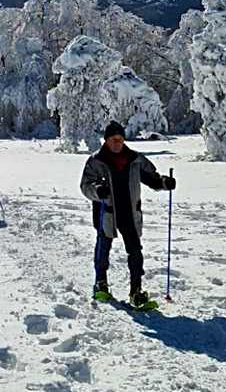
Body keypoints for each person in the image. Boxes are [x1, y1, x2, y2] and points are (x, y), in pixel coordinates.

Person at [80, 121, 176, 309]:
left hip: (130, 213)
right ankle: (101, 283)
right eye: (113, 139)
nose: (117, 143)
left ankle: (136, 290)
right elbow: (85, 186)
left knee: (135, 251)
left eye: (120, 139)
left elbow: (152, 178)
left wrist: (165, 183)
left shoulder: (135, 159)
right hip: (106, 213)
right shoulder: (96, 161)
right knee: (103, 247)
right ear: (106, 140)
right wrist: (97, 191)